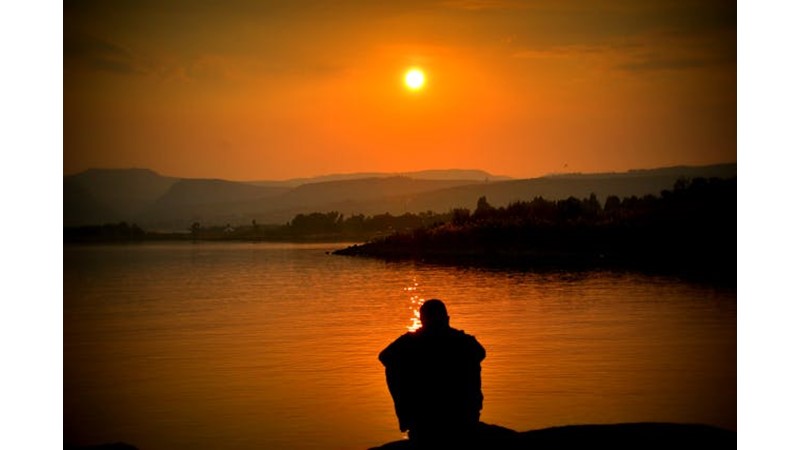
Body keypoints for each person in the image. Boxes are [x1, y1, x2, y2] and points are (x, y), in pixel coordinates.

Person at [379, 299, 486, 448]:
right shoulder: (463, 341)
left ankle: (411, 417)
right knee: (392, 367)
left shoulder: (411, 342)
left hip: (435, 415)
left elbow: (385, 357)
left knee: (393, 367)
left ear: (422, 321)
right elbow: (481, 353)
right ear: (447, 319)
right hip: (459, 414)